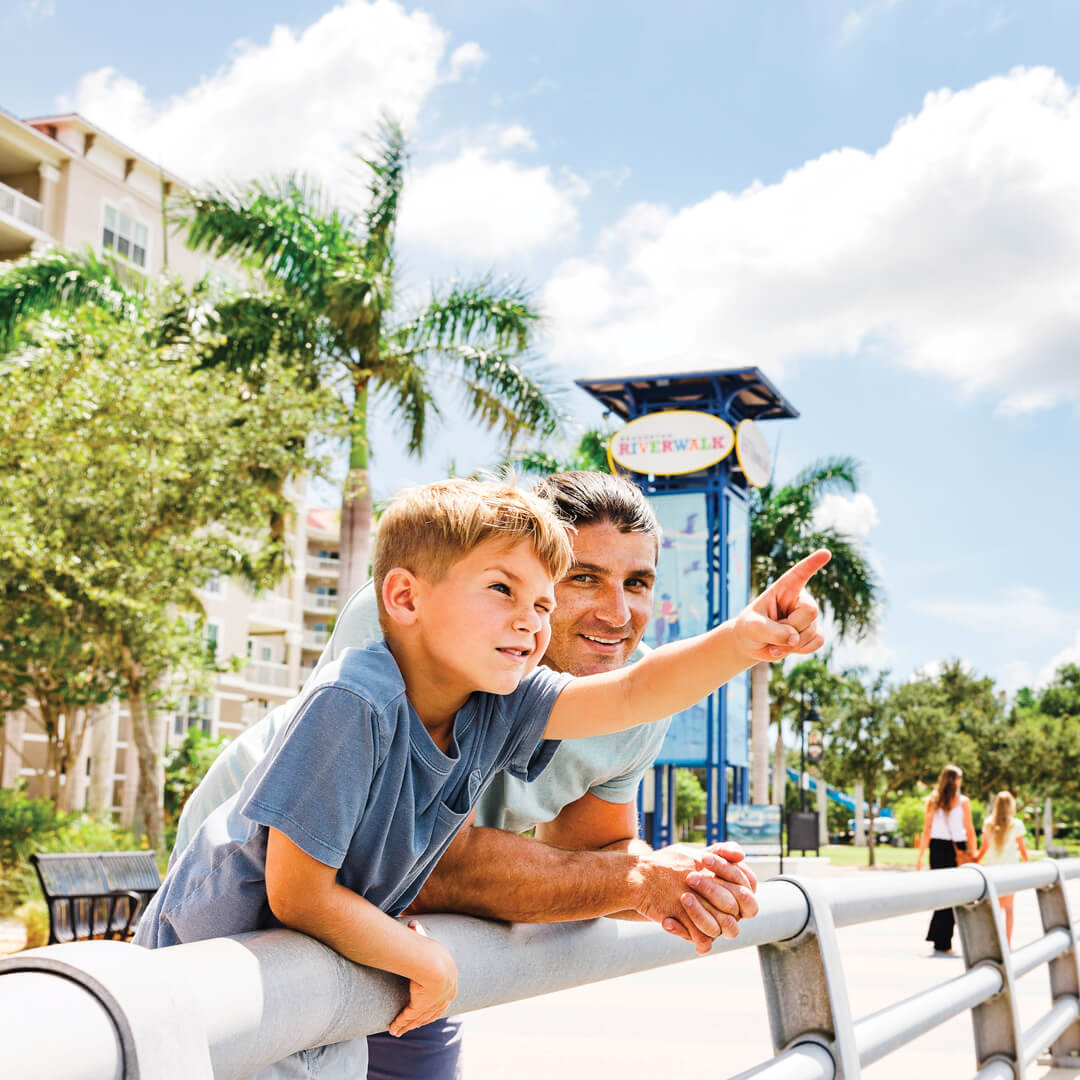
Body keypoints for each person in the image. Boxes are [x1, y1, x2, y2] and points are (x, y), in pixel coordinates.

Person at [164, 472, 826, 1078]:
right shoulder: (374, 674)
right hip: (243, 927)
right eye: (579, 580)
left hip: (377, 914)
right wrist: (425, 955)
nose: (534, 620)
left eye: (540, 603)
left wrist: (744, 640)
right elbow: (314, 890)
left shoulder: (498, 689)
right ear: (404, 599)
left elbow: (630, 699)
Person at [916, 764, 978, 955]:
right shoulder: (962, 801)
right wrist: (974, 853)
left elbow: (927, 831)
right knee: (954, 894)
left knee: (944, 893)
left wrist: (919, 857)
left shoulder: (933, 801)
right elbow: (969, 829)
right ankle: (942, 941)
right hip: (956, 848)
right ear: (956, 780)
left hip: (937, 848)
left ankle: (940, 938)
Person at [975, 790, 1029, 945]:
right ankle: (1008, 942)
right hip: (1011, 871)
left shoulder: (988, 823)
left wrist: (976, 860)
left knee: (996, 908)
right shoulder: (1016, 824)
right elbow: (1022, 848)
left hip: (993, 871)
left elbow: (984, 847)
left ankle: (995, 942)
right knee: (1009, 908)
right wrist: (1028, 864)